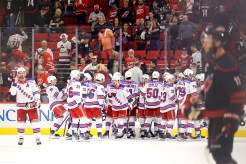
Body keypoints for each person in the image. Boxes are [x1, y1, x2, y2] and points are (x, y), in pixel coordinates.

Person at [184, 26, 246, 163]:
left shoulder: (227, 63)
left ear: (217, 42)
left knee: (221, 155)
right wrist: (200, 96)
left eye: (207, 39)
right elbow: (209, 83)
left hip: (224, 119)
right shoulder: (211, 62)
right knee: (217, 154)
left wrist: (231, 120)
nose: (204, 43)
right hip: (214, 117)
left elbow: (239, 95)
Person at [9, 67, 42, 145]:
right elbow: (13, 93)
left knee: (35, 123)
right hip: (20, 106)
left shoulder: (31, 81)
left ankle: (37, 138)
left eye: (22, 72)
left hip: (31, 106)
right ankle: (21, 138)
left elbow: (36, 91)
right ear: (17, 74)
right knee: (21, 124)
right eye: (19, 73)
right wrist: (15, 83)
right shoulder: (15, 83)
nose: (21, 74)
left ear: (25, 73)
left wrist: (37, 100)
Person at [66, 70, 90, 141]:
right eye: (78, 75)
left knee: (75, 119)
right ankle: (82, 134)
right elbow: (76, 94)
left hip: (70, 104)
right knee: (83, 118)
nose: (79, 77)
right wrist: (79, 103)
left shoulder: (69, 82)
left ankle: (74, 134)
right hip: (76, 104)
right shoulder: (77, 83)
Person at [84, 73, 106, 138]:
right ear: (101, 79)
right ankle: (99, 133)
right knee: (98, 119)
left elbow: (84, 95)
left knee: (89, 119)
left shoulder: (89, 85)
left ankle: (87, 132)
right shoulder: (100, 86)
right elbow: (100, 96)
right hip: (95, 105)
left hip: (87, 105)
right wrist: (101, 105)